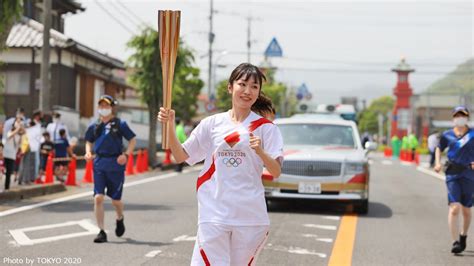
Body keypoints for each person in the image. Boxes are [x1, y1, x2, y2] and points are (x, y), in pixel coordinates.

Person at [158, 63, 284, 265]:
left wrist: (260, 151)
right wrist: (170, 126)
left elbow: (276, 171)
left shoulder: (266, 129)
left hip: (249, 216)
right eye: (242, 84)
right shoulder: (212, 123)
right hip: (214, 212)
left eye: (254, 87)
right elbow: (181, 156)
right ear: (230, 87)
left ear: (259, 92)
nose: (247, 91)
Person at [84, 95, 136, 243]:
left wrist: (126, 155)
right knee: (98, 197)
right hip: (99, 163)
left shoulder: (120, 124)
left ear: (112, 107)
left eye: (106, 106)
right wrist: (88, 151)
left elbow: (132, 140)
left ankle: (120, 217)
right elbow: (88, 140)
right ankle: (101, 231)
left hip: (116, 165)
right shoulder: (95, 125)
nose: (103, 109)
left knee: (116, 201)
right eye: (101, 105)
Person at [434, 106, 474, 254]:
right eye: (457, 115)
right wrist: (437, 163)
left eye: (462, 115)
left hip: (469, 174)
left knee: (467, 210)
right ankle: (455, 242)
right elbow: (439, 148)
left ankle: (463, 236)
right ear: (453, 118)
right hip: (452, 174)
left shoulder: (473, 134)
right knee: (455, 207)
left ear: (467, 118)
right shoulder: (447, 135)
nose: (460, 118)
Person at [3, 118, 23, 190]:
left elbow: (19, 144)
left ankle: (7, 187)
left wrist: (21, 131)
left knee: (9, 171)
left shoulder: (18, 136)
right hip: (6, 154)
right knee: (5, 170)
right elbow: (10, 136)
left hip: (12, 155)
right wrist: (17, 129)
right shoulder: (9, 132)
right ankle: (6, 186)